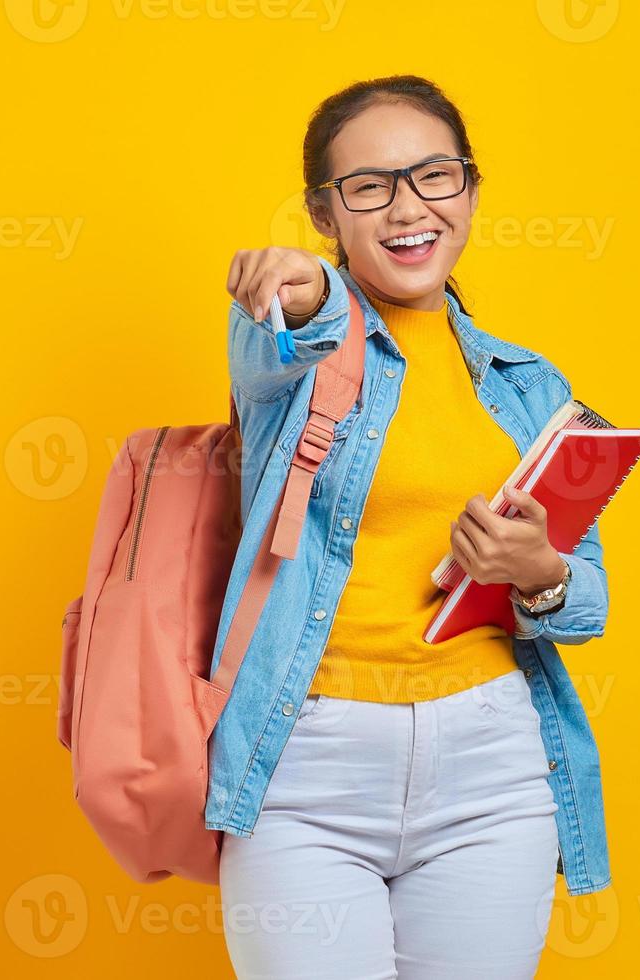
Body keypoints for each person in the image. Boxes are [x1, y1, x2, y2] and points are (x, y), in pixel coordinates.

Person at [216, 74, 613, 979]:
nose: (408, 208)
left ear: (469, 190)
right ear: (326, 212)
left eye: (434, 176)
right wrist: (306, 289)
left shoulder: (528, 386)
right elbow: (289, 330)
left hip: (494, 765)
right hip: (308, 763)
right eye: (369, 186)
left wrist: (538, 570)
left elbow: (585, 598)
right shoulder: (297, 340)